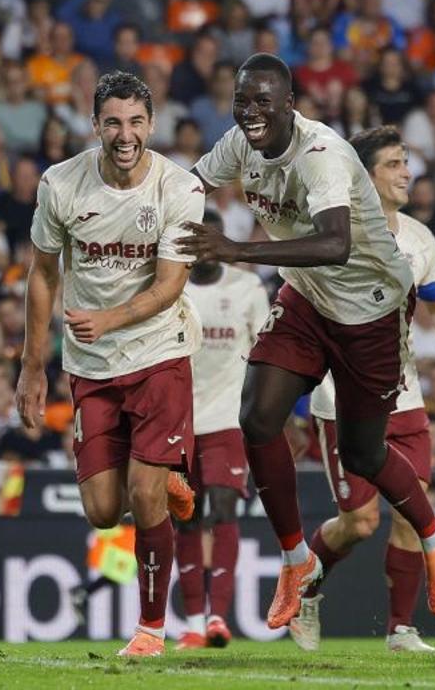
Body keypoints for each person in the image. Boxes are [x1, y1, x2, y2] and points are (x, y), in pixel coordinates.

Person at [180, 53, 435, 634]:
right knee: (257, 418)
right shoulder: (239, 144)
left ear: (290, 104)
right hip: (307, 298)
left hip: (371, 311)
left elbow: (335, 243)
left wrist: (235, 250)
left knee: (363, 454)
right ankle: (295, 559)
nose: (250, 113)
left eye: (263, 102)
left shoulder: (322, 154)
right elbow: (187, 187)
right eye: (241, 101)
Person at [16, 71, 204, 658]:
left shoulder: (179, 188)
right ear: (95, 124)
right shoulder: (61, 184)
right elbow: (43, 273)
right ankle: (164, 477)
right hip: (90, 364)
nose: (126, 135)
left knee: (144, 498)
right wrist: (32, 365)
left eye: (136, 122)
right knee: (102, 511)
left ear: (152, 123)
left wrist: (111, 318)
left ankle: (150, 629)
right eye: (114, 123)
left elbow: (170, 285)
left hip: (158, 351)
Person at [288, 126, 435, 653]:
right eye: (393, 164)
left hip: (405, 397)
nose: (406, 173)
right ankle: (306, 587)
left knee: (414, 512)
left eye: (405, 162)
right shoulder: (332, 237)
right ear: (364, 178)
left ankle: (400, 630)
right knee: (360, 521)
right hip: (342, 400)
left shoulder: (419, 239)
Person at [174, 209, 270, 651]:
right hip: (178, 423)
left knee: (224, 508)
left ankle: (218, 618)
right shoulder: (170, 289)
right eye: (197, 240)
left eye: (211, 238)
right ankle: (194, 622)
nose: (205, 248)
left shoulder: (247, 288)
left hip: (229, 418)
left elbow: (266, 354)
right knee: (188, 517)